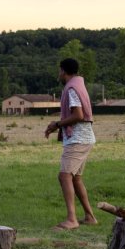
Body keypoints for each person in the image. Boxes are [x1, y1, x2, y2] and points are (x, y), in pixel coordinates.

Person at [45, 58, 97, 230]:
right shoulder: (78, 84)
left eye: (59, 70)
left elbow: (78, 115)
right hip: (85, 137)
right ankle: (90, 216)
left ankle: (71, 219)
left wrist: (57, 124)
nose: (58, 73)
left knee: (64, 175)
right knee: (75, 178)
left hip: (78, 138)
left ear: (63, 71)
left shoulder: (71, 89)